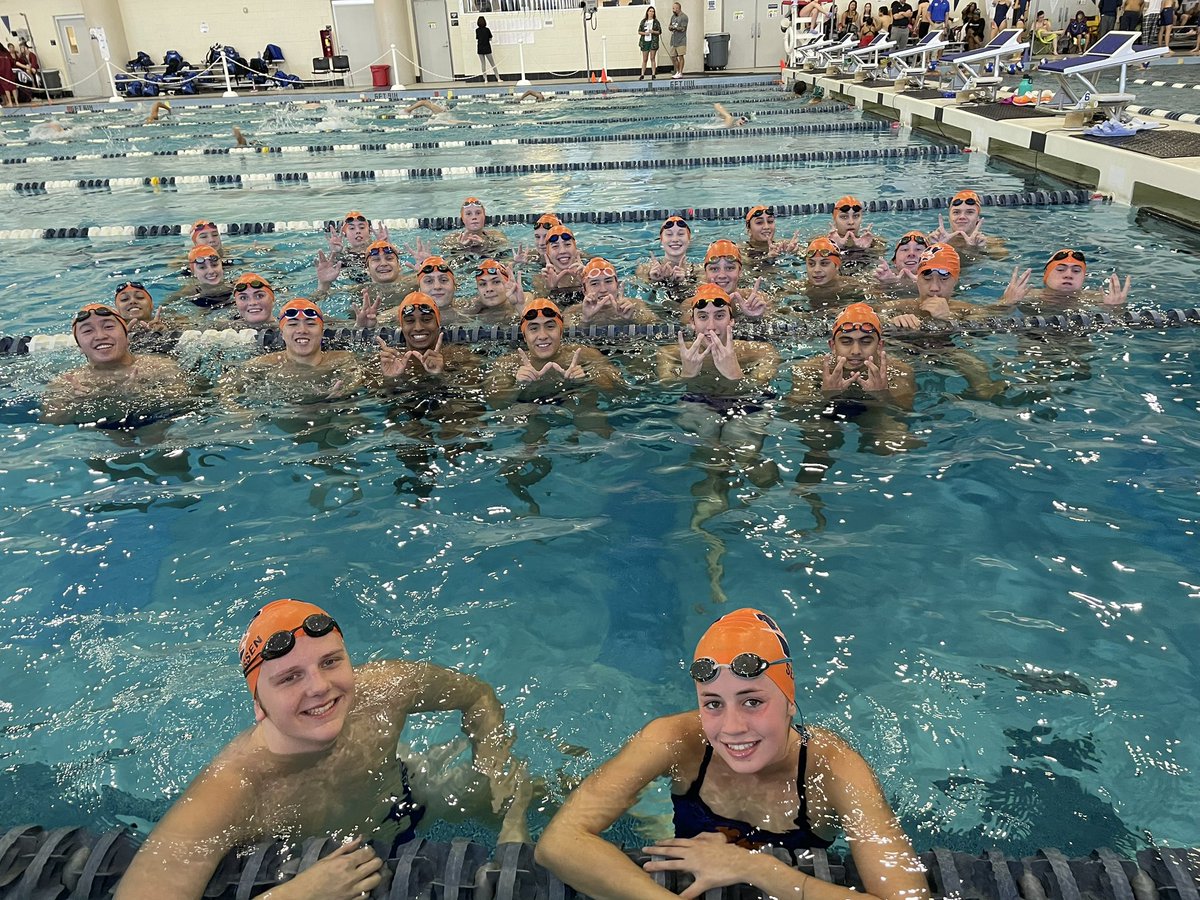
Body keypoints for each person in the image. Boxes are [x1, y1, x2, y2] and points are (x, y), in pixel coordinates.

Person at [114, 598, 529, 900]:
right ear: (259, 705)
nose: (319, 687)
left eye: (330, 662)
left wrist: (492, 770)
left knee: (537, 798)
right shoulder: (234, 789)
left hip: (410, 798)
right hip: (313, 867)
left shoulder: (386, 689)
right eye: (290, 677)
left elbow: (478, 696)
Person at [536, 607, 929, 900]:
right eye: (713, 704)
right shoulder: (674, 740)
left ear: (790, 702)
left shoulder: (836, 769)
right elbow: (558, 844)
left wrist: (757, 869)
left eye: (753, 701)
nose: (732, 728)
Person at [42, 304, 194, 426]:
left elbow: (187, 402)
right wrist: (76, 402)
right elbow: (50, 420)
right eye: (88, 330)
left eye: (108, 327)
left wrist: (144, 397)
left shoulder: (160, 367)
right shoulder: (67, 383)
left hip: (155, 424)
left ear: (127, 337)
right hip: (102, 433)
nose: (100, 336)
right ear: (79, 347)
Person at [218, 299, 365, 403]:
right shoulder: (263, 364)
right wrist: (239, 412)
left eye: (311, 324)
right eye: (293, 324)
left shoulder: (342, 359)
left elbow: (356, 384)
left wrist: (344, 395)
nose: (302, 330)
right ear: (282, 332)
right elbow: (224, 390)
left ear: (321, 331)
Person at [790, 302, 916, 408]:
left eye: (866, 342)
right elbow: (794, 413)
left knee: (894, 434)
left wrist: (882, 395)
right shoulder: (810, 370)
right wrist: (827, 395)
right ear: (832, 346)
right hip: (828, 413)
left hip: (874, 414)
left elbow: (903, 413)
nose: (856, 351)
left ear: (879, 346)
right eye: (846, 342)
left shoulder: (898, 371)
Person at [567, 257, 657, 327]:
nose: (603, 289)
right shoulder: (574, 312)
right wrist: (586, 319)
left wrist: (630, 319)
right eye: (594, 284)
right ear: (584, 291)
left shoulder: (635, 306)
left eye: (608, 281)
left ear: (617, 285)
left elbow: (657, 327)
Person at [928, 190, 1009, 260]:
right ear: (949, 217)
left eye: (969, 212)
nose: (962, 217)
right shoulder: (931, 241)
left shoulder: (991, 243)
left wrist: (976, 249)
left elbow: (1004, 263)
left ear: (978, 218)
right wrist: (936, 247)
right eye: (956, 212)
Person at [640, 215, 700, 296]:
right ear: (661, 240)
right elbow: (643, 300)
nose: (675, 239)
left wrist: (683, 283)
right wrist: (654, 282)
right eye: (669, 234)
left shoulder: (699, 271)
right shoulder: (645, 269)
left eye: (681, 234)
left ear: (689, 239)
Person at [463, 259, 525, 324]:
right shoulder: (471, 306)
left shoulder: (523, 300)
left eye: (496, 282)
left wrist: (519, 307)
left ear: (508, 283)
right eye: (483, 284)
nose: (489, 289)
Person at [442, 196, 509, 255]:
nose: (474, 217)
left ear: (484, 216)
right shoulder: (451, 239)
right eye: (468, 214)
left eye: (478, 213)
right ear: (463, 219)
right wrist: (461, 248)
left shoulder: (497, 236)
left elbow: (504, 256)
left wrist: (484, 244)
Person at [638, 6, 663, 79]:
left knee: (652, 58)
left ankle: (653, 74)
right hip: (645, 41)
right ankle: (642, 74)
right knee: (644, 59)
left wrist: (653, 31)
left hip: (653, 41)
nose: (651, 13)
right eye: (650, 11)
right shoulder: (643, 21)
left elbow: (659, 31)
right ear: (647, 12)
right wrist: (645, 33)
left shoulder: (656, 22)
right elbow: (639, 31)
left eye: (653, 11)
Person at [477, 16, 501, 83]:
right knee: (492, 63)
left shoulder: (477, 30)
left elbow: (477, 38)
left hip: (480, 48)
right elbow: (490, 38)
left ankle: (485, 79)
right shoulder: (487, 30)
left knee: (483, 64)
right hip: (487, 47)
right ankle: (498, 78)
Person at [669, 1, 690, 77]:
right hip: (673, 40)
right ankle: (677, 71)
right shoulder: (673, 17)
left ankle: (680, 72)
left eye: (674, 8)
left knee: (680, 56)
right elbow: (670, 25)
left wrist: (675, 28)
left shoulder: (684, 17)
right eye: (673, 8)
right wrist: (670, 28)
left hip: (681, 40)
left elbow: (683, 28)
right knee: (673, 57)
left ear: (678, 8)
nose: (673, 10)